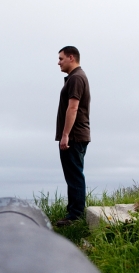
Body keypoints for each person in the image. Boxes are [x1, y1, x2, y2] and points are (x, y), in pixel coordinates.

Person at [55, 46, 91, 227]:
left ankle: (75, 216)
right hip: (76, 135)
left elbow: (73, 107)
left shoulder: (76, 78)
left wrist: (65, 135)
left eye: (61, 58)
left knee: (75, 175)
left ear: (71, 57)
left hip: (75, 136)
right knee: (72, 174)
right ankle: (72, 213)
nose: (58, 62)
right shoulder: (75, 77)